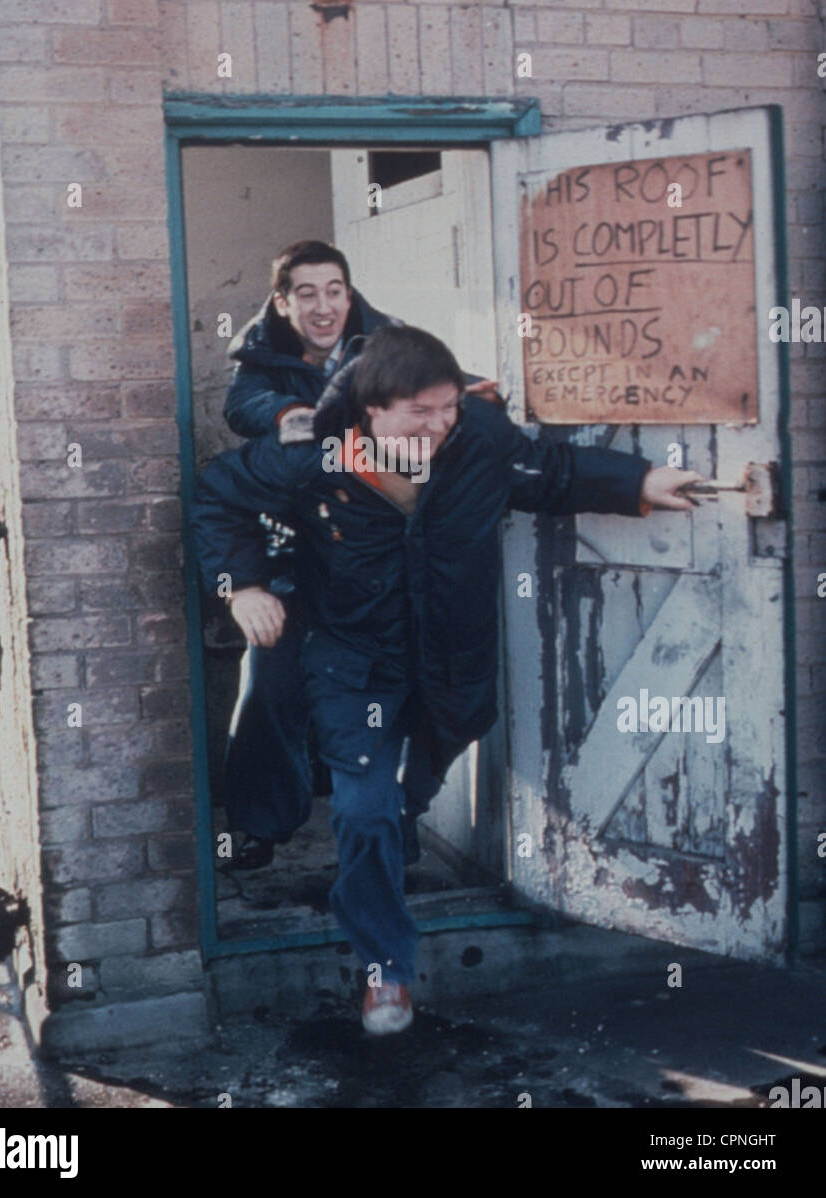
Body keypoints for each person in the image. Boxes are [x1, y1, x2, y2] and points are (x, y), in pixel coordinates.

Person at [192, 324, 702, 1035]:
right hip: (353, 661)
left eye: (447, 408)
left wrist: (640, 483)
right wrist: (242, 585)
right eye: (420, 413)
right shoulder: (312, 456)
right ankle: (386, 969)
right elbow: (217, 493)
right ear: (372, 410)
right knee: (362, 808)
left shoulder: (478, 439)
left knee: (426, 769)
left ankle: (399, 821)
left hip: (452, 657)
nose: (439, 426)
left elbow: (547, 472)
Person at [219, 240, 499, 870]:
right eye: (307, 294)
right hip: (296, 553)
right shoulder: (259, 359)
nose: (324, 307)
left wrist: (473, 397)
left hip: (374, 561)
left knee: (423, 692)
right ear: (282, 302)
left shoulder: (388, 341)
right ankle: (262, 825)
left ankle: (396, 819)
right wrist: (301, 416)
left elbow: (435, 391)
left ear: (350, 293)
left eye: (335, 291)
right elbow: (245, 408)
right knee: (268, 683)